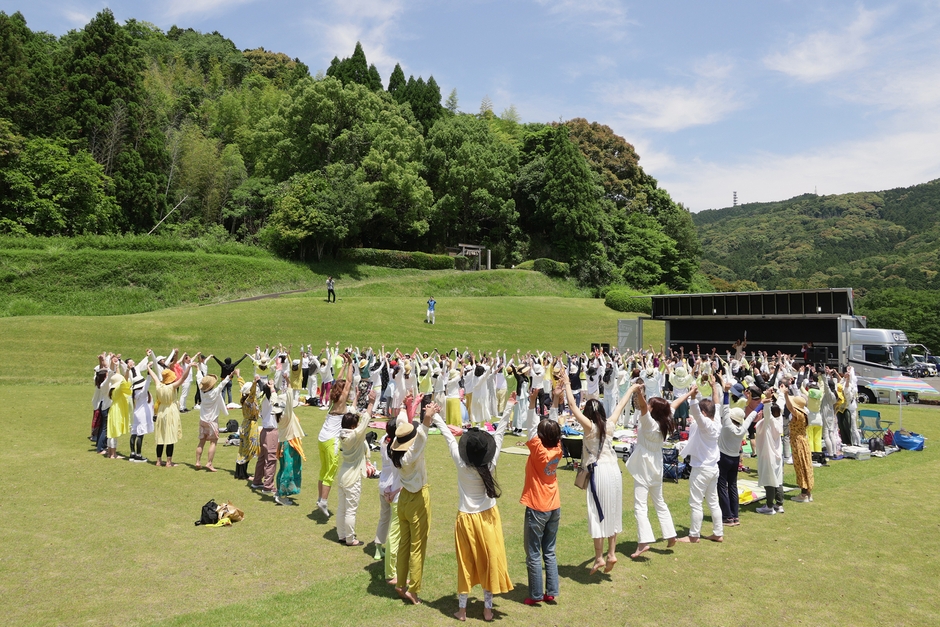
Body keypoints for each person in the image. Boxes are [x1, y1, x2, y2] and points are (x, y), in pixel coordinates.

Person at [436, 394, 515, 621]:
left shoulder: (461, 463)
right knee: (489, 561)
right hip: (488, 517)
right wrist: (509, 406)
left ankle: (462, 610)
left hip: (466, 519)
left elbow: (448, 438)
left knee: (465, 563)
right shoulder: (490, 462)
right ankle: (487, 609)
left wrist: (437, 417)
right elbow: (499, 434)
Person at [562, 365, 633, 575]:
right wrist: (632, 389)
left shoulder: (590, 427)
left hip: (599, 472)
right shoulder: (609, 425)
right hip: (614, 471)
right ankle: (611, 553)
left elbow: (573, 407)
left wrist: (567, 382)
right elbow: (621, 403)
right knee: (612, 511)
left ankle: (600, 557)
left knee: (597, 513)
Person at [391, 401, 441, 606]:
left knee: (404, 543)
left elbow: (409, 429)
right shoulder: (411, 455)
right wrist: (427, 417)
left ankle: (401, 584)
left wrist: (412, 406)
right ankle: (413, 589)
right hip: (417, 499)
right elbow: (420, 436)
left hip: (403, 501)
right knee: (417, 546)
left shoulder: (395, 453)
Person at [626, 383, 680, 559]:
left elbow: (642, 406)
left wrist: (639, 391)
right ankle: (670, 534)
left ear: (653, 410)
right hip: (656, 465)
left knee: (640, 505)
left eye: (650, 405)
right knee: (659, 502)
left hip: (644, 465)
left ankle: (643, 542)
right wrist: (689, 394)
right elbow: (673, 405)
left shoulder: (649, 423)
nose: (646, 406)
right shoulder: (665, 421)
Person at [519, 387, 562, 606]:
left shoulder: (538, 449)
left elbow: (529, 428)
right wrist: (554, 400)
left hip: (537, 505)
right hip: (554, 504)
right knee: (550, 551)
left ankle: (536, 594)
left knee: (534, 552)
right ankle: (551, 591)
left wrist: (531, 402)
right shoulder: (557, 448)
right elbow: (553, 426)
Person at [677, 381, 723, 544]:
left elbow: (696, 411)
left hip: (702, 469)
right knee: (713, 501)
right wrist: (714, 387)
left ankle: (694, 535)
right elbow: (716, 404)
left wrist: (693, 396)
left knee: (696, 502)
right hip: (712, 468)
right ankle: (718, 533)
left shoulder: (706, 424)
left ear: (704, 413)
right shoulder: (716, 421)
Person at [336, 391, 375, 544]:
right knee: (351, 510)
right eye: (356, 424)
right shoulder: (355, 436)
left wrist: (357, 397)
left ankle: (341, 535)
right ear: (353, 426)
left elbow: (353, 414)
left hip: (343, 474)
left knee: (342, 508)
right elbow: (365, 420)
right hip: (353, 477)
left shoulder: (343, 433)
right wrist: (371, 403)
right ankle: (350, 538)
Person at [316, 353, 353, 517]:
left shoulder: (333, 396)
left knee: (323, 471)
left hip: (321, 438)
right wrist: (351, 364)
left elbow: (339, 380)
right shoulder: (342, 399)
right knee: (330, 473)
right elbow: (349, 381)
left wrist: (344, 365)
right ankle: (323, 501)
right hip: (331, 440)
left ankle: (319, 498)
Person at [717, 382, 758, 527]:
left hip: (723, 458)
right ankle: (735, 516)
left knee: (722, 486)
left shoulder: (727, 425)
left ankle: (727, 517)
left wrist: (726, 392)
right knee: (732, 486)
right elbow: (752, 415)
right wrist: (762, 403)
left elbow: (726, 408)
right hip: (735, 459)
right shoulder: (743, 427)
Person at [146, 350, 191, 467]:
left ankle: (158, 460)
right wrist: (189, 367)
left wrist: (148, 368)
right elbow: (183, 378)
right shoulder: (172, 386)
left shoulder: (159, 385)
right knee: (170, 436)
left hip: (161, 411)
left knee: (160, 437)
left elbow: (155, 376)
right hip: (170, 410)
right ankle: (169, 462)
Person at [374, 418, 403, 583]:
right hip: (392, 487)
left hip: (382, 485)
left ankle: (378, 547)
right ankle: (391, 553)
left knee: (384, 517)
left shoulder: (383, 440)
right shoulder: (394, 447)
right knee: (394, 523)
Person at [274, 391, 306, 506]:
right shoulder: (286, 416)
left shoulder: (279, 416)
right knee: (288, 470)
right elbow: (289, 398)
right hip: (289, 444)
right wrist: (289, 385)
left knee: (283, 468)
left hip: (283, 443)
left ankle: (280, 492)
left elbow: (274, 397)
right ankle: (282, 495)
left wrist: (273, 389)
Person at [754, 398, 785, 515]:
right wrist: (780, 394)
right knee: (778, 480)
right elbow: (780, 404)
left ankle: (769, 506)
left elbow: (767, 413)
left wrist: (766, 403)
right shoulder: (779, 420)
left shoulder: (769, 421)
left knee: (769, 481)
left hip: (768, 455)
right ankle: (779, 504)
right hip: (777, 455)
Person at [195, 369, 229, 472]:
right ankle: (209, 463)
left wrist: (197, 369)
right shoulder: (215, 392)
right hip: (212, 420)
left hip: (202, 420)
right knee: (213, 442)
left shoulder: (202, 392)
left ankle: (197, 461)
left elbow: (199, 379)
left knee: (201, 441)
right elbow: (222, 384)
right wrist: (230, 375)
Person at [785, 391, 814, 503]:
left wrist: (786, 395)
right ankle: (807, 492)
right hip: (802, 441)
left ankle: (804, 494)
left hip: (798, 442)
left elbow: (790, 407)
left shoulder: (799, 414)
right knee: (805, 465)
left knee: (801, 466)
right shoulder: (804, 414)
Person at [250, 379, 278, 495]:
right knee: (270, 460)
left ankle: (257, 481)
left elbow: (263, 388)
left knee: (262, 458)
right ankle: (268, 485)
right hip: (271, 431)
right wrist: (272, 387)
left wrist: (261, 382)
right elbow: (275, 399)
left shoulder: (262, 397)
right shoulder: (270, 399)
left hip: (264, 431)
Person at [234, 375, 261, 480]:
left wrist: (239, 376)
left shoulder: (244, 398)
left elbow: (242, 386)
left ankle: (240, 473)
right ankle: (243, 474)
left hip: (245, 425)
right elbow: (252, 392)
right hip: (250, 426)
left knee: (243, 450)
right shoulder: (249, 401)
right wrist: (255, 382)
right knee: (249, 450)